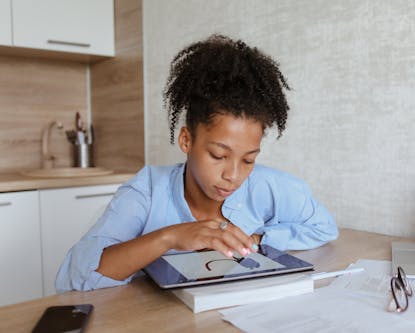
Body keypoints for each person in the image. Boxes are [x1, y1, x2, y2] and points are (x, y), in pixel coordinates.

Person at [56, 35, 338, 292]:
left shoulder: (269, 186)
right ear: (187, 140)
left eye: (249, 159)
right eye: (218, 155)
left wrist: (258, 239)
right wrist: (170, 238)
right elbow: (76, 278)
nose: (234, 175)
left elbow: (323, 227)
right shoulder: (148, 190)